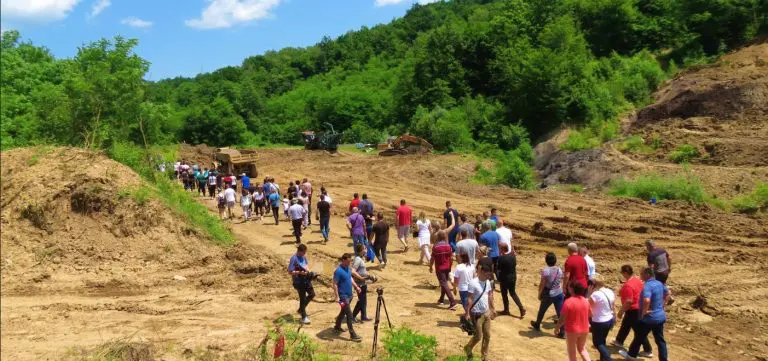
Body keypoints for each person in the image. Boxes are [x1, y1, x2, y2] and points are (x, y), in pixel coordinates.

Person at [618, 268, 669, 361]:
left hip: (649, 318)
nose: (640, 276)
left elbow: (646, 300)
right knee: (660, 340)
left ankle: (631, 356)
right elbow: (668, 293)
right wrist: (662, 305)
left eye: (641, 274)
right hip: (660, 316)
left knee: (639, 337)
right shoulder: (659, 283)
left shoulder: (648, 286)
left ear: (647, 274)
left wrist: (644, 311)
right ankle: (663, 359)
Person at [612, 265, 653, 357]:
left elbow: (629, 301)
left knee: (639, 331)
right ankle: (619, 340)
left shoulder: (628, 285)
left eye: (622, 272)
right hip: (638, 307)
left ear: (625, 273)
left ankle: (648, 350)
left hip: (633, 310)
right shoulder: (637, 280)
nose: (622, 274)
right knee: (626, 324)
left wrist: (620, 312)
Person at [463, 263, 496, 361]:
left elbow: (490, 295)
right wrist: (467, 312)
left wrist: (493, 308)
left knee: (487, 336)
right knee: (478, 336)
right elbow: (469, 298)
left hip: (486, 313)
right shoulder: (473, 283)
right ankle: (468, 348)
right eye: (486, 274)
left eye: (489, 275)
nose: (488, 276)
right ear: (481, 271)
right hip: (476, 314)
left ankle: (484, 356)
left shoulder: (488, 282)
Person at [556, 282, 592, 361]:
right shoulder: (586, 301)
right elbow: (590, 314)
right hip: (585, 329)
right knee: (582, 349)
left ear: (572, 289)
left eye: (569, 287)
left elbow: (562, 319)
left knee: (572, 352)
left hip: (572, 330)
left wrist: (557, 328)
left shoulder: (568, 301)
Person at [531, 252, 564, 336]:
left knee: (542, 310)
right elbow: (560, 280)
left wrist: (539, 293)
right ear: (555, 260)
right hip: (558, 292)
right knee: (560, 312)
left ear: (546, 261)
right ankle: (562, 331)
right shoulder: (559, 269)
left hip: (548, 293)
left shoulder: (546, 271)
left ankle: (537, 324)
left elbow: (542, 283)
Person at [429, 215, 457, 310]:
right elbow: (451, 257)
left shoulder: (434, 243)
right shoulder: (448, 246)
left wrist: (430, 266)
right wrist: (452, 216)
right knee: (444, 282)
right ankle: (441, 299)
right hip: (447, 265)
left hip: (439, 266)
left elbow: (432, 258)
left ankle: (452, 302)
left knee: (443, 283)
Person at [333, 253, 362, 342]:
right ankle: (352, 334)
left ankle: (337, 326)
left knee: (343, 312)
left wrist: (356, 287)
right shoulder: (338, 271)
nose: (350, 263)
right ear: (343, 260)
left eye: (350, 261)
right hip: (343, 297)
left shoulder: (348, 268)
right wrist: (337, 296)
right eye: (348, 261)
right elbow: (334, 284)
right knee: (349, 315)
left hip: (349, 295)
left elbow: (350, 278)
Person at [588, 275, 615, 361]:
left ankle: (608, 359)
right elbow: (613, 307)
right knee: (602, 341)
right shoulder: (610, 291)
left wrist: (589, 294)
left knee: (597, 343)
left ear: (594, 284)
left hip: (599, 322)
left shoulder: (595, 294)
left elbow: (588, 308)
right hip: (609, 319)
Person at [496, 243, 525, 318]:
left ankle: (506, 310)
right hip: (513, 277)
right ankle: (521, 308)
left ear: (502, 249)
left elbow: (498, 269)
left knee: (504, 294)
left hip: (504, 279)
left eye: (499, 248)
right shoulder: (513, 256)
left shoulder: (501, 258)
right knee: (513, 293)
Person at [288, 244, 314, 325]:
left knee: (312, 294)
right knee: (302, 298)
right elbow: (290, 271)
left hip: (306, 280)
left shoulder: (304, 257)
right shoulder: (294, 259)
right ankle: (304, 317)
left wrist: (308, 271)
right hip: (298, 281)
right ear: (299, 251)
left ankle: (300, 309)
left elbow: (306, 266)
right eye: (304, 252)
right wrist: (299, 272)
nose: (304, 254)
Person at [645, 239, 673, 304]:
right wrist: (669, 267)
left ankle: (661, 301)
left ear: (648, 246)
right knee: (662, 284)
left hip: (658, 273)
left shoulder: (651, 255)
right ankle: (670, 298)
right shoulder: (662, 250)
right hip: (666, 271)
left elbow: (651, 267)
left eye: (646, 246)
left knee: (657, 287)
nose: (646, 248)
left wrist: (651, 277)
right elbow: (669, 258)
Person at [351, 244, 372, 322]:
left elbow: (362, 271)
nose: (366, 250)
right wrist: (361, 278)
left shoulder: (361, 258)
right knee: (361, 301)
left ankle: (363, 316)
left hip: (363, 283)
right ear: (361, 250)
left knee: (364, 300)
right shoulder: (357, 259)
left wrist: (369, 276)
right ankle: (353, 316)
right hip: (359, 283)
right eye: (365, 248)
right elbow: (353, 271)